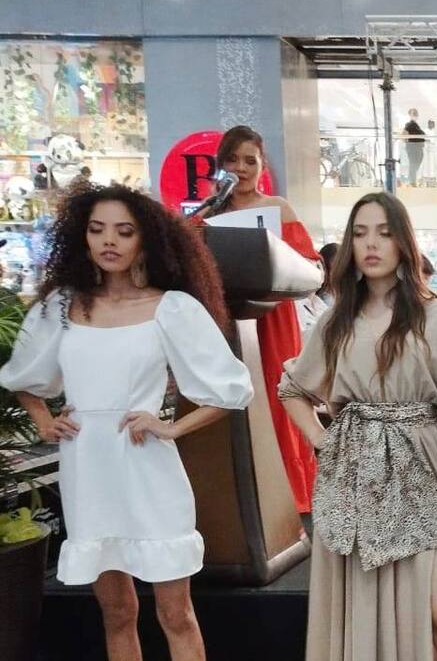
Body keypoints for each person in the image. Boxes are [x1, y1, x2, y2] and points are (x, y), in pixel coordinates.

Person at [0, 184, 254, 661]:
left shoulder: (171, 307)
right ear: (83, 238)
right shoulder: (61, 307)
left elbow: (231, 391)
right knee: (116, 612)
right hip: (88, 470)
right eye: (97, 230)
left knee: (176, 613)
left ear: (145, 240)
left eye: (124, 231)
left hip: (146, 465)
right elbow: (24, 378)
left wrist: (171, 427)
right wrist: (43, 421)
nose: (109, 241)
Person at [279, 192, 437, 661]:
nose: (371, 244)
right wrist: (323, 441)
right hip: (356, 483)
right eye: (360, 234)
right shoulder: (335, 322)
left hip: (425, 473)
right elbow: (292, 390)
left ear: (403, 243)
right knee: (370, 618)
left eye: (384, 233)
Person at [198, 125, 323, 513]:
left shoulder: (278, 208)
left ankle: (290, 494)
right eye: (232, 160)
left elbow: (312, 267)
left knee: (277, 398)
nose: (241, 168)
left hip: (273, 320)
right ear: (220, 165)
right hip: (224, 322)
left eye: (249, 160)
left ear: (262, 165)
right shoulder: (208, 214)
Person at [403, 109, 426, 186]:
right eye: (413, 114)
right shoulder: (410, 124)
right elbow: (404, 134)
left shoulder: (416, 125)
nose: (415, 116)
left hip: (418, 147)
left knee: (416, 163)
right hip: (413, 147)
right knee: (413, 163)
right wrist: (408, 143)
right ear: (410, 115)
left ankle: (412, 180)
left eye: (416, 114)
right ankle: (412, 181)